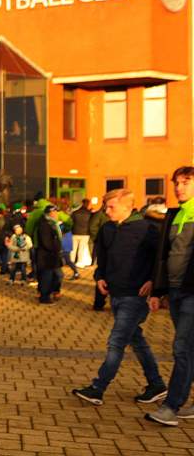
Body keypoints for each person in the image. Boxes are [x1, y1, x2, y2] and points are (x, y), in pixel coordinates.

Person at [72, 189, 163, 406]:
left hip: (135, 295)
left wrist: (153, 282)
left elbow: (160, 258)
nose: (107, 210)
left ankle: (98, 388)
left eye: (111, 206)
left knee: (116, 342)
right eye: (106, 206)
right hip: (116, 293)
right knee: (136, 340)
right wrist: (99, 276)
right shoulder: (107, 228)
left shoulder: (147, 229)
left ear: (128, 206)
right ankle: (157, 385)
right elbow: (102, 256)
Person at [146, 167, 194, 426]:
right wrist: (158, 291)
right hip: (175, 290)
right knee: (189, 349)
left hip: (191, 293)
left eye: (186, 182)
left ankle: (171, 406)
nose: (179, 187)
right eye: (177, 182)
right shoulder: (175, 214)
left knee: (182, 348)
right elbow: (163, 255)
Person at [35, 205, 63, 304]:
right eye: (55, 212)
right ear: (50, 213)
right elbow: (46, 242)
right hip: (47, 256)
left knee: (55, 275)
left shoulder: (52, 223)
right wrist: (56, 248)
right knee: (47, 276)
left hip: (52, 255)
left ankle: (48, 293)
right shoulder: (45, 224)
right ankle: (44, 297)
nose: (56, 214)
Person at [89, 203, 109, 310]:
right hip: (103, 244)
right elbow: (93, 227)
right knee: (102, 273)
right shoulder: (100, 214)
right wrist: (98, 239)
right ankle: (99, 303)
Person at [71, 198, 93, 267]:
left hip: (75, 232)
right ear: (88, 204)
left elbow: (71, 222)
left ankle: (71, 262)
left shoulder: (75, 212)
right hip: (85, 233)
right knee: (81, 249)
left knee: (73, 249)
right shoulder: (90, 214)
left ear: (82, 203)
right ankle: (79, 263)